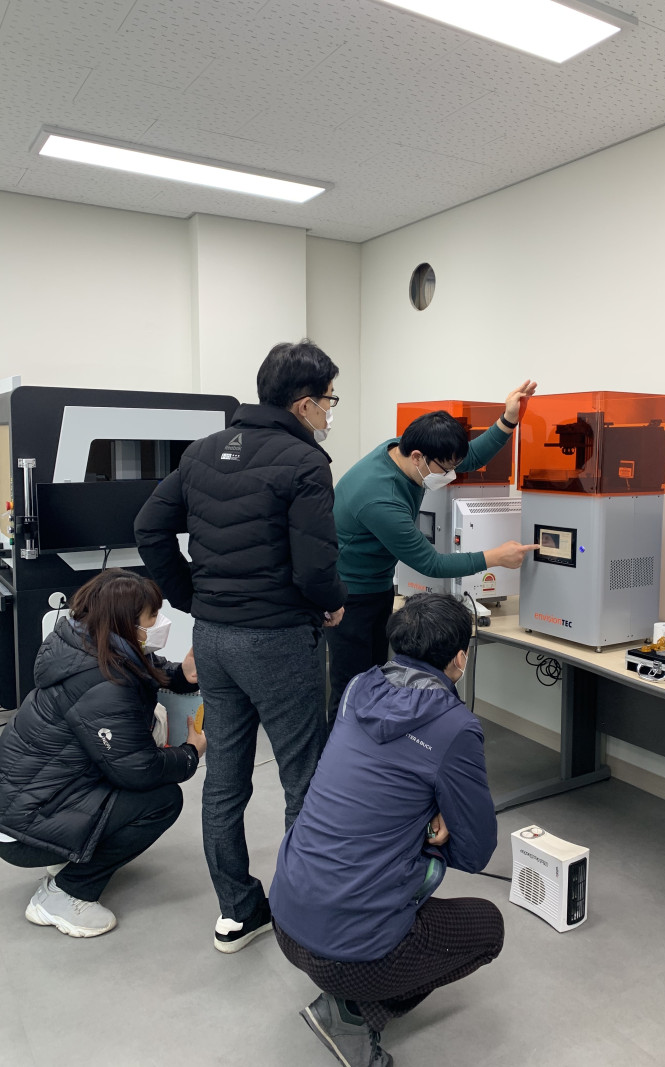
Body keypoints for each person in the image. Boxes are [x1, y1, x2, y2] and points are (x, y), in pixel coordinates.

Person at [134, 339, 348, 953]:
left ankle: (236, 911)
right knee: (304, 777)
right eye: (329, 400)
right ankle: (304, 914)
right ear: (303, 404)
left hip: (216, 640)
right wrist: (331, 602)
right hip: (278, 640)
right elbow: (315, 568)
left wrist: (194, 599)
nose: (330, 412)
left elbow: (148, 527)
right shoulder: (305, 462)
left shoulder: (202, 452)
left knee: (225, 779)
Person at [270, 592, 503, 1067]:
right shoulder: (454, 726)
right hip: (348, 953)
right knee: (488, 928)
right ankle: (352, 1015)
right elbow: (476, 852)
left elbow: (371, 784)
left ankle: (346, 995)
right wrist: (437, 830)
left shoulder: (358, 687)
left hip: (285, 915)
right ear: (460, 659)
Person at [0, 569, 205, 938]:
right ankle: (67, 893)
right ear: (126, 624)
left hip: (24, 803)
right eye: (153, 617)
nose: (161, 623)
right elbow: (138, 770)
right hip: (23, 828)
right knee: (162, 800)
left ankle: (68, 855)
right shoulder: (104, 681)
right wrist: (190, 752)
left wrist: (182, 676)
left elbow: (147, 670)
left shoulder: (85, 644)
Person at [326, 380, 538, 724]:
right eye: (445, 468)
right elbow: (430, 562)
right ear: (417, 457)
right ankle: (339, 753)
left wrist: (508, 419)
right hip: (351, 597)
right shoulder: (380, 498)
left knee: (374, 682)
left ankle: (370, 750)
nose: (450, 475)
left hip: (377, 586)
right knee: (352, 688)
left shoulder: (402, 452)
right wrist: (494, 557)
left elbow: (470, 458)